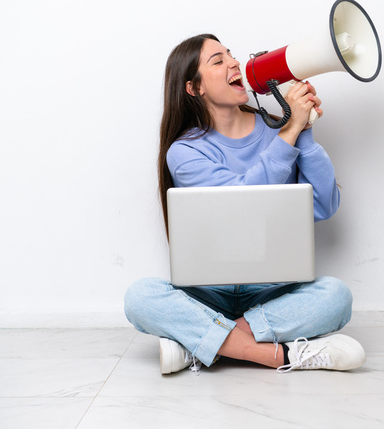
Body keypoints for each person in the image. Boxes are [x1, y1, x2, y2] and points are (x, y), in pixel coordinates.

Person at [124, 34, 365, 375]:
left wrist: (303, 129)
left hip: (273, 290)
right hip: (209, 293)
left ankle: (202, 345)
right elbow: (240, 200)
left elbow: (324, 206)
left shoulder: (280, 131)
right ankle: (279, 356)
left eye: (231, 55)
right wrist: (289, 130)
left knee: (336, 297)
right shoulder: (185, 151)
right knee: (140, 297)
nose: (234, 63)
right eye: (218, 61)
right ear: (194, 88)